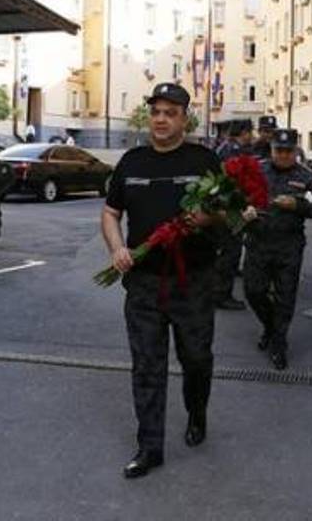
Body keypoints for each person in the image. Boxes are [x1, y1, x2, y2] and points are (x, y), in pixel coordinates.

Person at [100, 82, 222, 479]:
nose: (161, 119)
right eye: (156, 111)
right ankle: (150, 446)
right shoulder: (132, 162)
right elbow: (110, 213)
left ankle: (197, 411)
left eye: (171, 112)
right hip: (144, 283)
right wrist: (117, 249)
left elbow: (230, 212)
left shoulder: (204, 160)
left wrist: (209, 217)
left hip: (194, 281)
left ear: (185, 118)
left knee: (196, 359)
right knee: (147, 366)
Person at [241, 128, 312, 370]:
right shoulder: (257, 169)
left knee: (285, 297)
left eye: (288, 151)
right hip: (258, 242)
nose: (284, 156)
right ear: (272, 149)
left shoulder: (306, 176)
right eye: (279, 150)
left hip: (289, 246)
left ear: (295, 151)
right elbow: (236, 198)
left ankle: (279, 343)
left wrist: (296, 204)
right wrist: (245, 211)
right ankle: (270, 325)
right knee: (253, 291)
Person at [211, 120, 251, 311]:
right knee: (230, 250)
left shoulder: (224, 147)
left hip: (223, 204)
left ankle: (218, 291)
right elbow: (234, 180)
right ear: (243, 132)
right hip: (230, 207)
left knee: (225, 250)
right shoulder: (233, 150)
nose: (251, 136)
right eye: (250, 132)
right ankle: (221, 294)